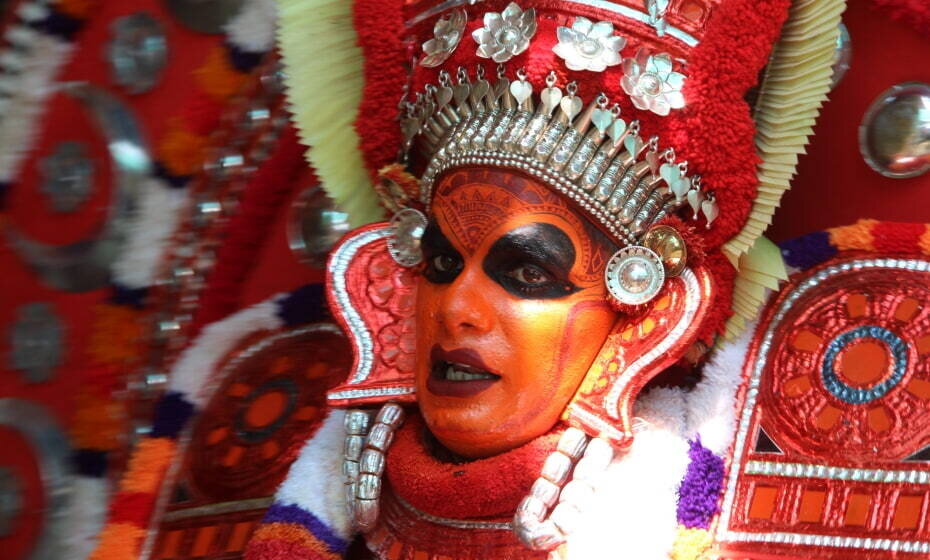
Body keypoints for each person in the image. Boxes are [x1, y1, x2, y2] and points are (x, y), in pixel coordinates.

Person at [245, 0, 844, 557]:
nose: (456, 307)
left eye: (528, 272)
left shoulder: (760, 501)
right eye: (442, 264)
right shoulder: (249, 427)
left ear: (645, 314)